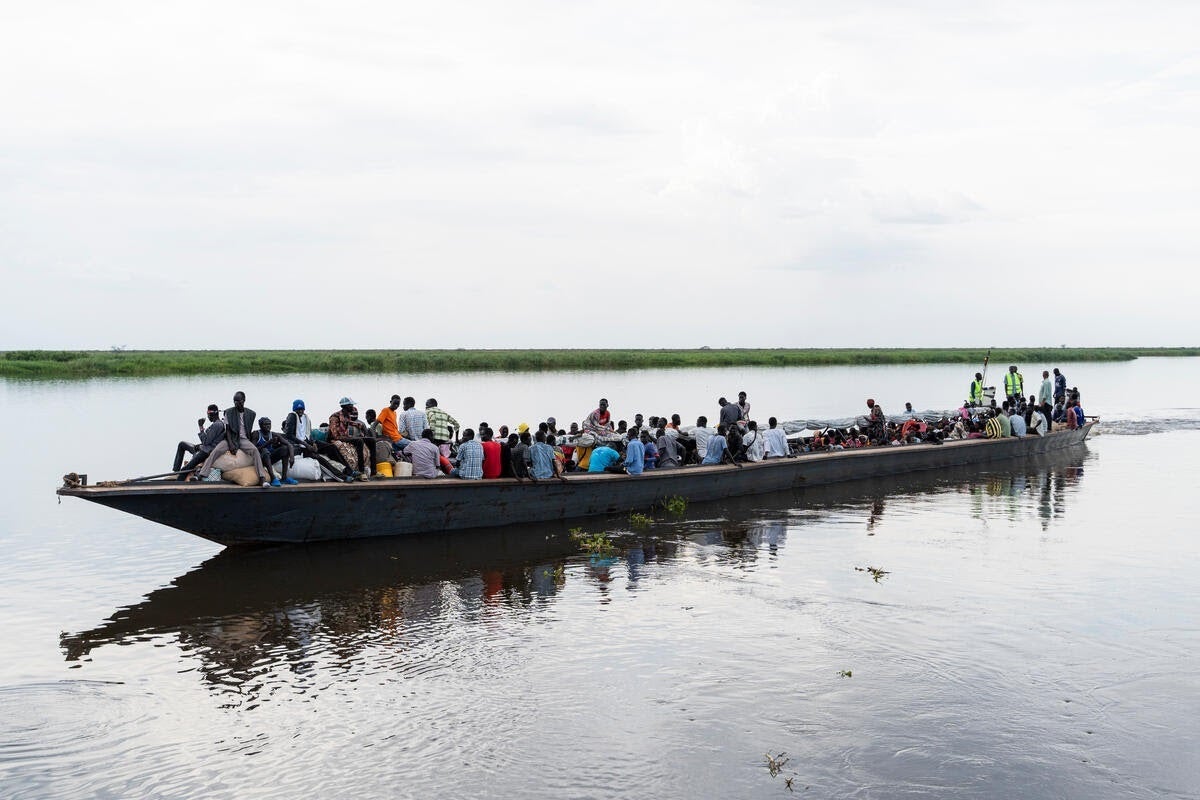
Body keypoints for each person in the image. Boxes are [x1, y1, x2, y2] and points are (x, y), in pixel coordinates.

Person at [195, 391, 272, 487]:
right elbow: (227, 431)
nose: (236, 403)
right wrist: (231, 444)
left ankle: (262, 478)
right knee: (216, 451)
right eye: (234, 401)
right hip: (230, 438)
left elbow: (248, 431)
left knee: (255, 451)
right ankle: (202, 474)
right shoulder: (229, 412)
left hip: (243, 439)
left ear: (244, 401)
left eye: (238, 401)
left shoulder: (251, 414)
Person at [173, 404, 225, 478]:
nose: (208, 416)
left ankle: (179, 484)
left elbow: (206, 441)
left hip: (205, 452)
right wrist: (200, 445)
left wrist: (201, 427)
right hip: (202, 447)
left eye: (208, 414)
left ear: (210, 414)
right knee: (182, 444)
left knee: (185, 469)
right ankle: (176, 471)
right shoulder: (216, 424)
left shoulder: (217, 425)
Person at [328, 397, 373, 481]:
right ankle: (361, 471)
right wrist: (349, 438)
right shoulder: (334, 417)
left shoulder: (346, 415)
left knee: (371, 440)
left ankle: (374, 470)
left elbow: (350, 422)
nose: (352, 407)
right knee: (359, 441)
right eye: (351, 405)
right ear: (345, 406)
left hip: (345, 437)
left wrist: (361, 425)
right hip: (337, 439)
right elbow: (335, 436)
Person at [254, 418, 298, 485]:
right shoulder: (256, 434)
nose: (268, 426)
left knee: (285, 449)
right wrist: (268, 442)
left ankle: (284, 478)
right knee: (265, 450)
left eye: (269, 424)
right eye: (265, 424)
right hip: (261, 459)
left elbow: (289, 444)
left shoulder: (274, 434)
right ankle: (273, 478)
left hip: (270, 458)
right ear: (260, 425)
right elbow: (254, 449)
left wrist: (292, 457)